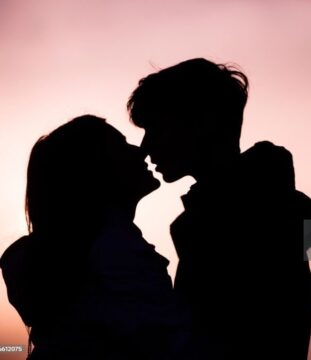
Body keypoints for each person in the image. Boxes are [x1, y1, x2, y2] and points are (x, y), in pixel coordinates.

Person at [127, 58, 311, 359]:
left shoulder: (223, 222)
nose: (146, 147)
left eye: (157, 128)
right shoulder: (283, 205)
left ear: (201, 123)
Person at [0, 115, 192, 360]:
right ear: (95, 170)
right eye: (121, 145)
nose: (140, 151)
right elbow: (173, 344)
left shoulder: (84, 253)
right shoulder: (116, 256)